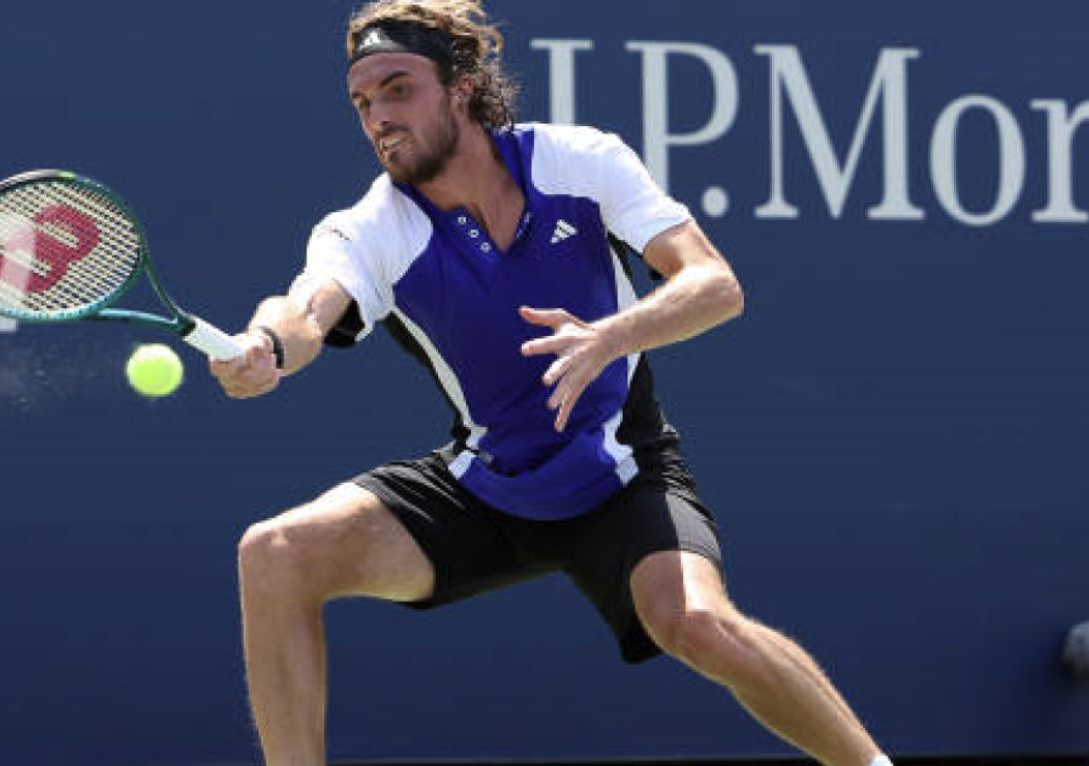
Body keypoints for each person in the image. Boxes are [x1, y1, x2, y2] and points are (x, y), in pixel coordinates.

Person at [210, 2, 893, 765]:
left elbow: (715, 284)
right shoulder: (370, 228)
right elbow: (306, 307)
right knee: (273, 552)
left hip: (621, 475)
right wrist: (268, 342)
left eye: (398, 89)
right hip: (487, 491)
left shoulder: (579, 160)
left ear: (462, 86)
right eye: (363, 103)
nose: (379, 118)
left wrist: (612, 337)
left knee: (699, 625)